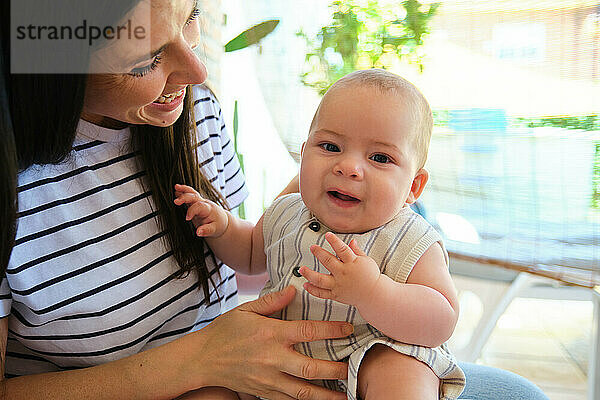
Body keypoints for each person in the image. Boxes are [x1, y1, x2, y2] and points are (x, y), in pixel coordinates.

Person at [0, 0, 550, 399]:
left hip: (348, 357)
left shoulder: (190, 112)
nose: (197, 72)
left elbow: (437, 319)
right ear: (49, 69)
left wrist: (371, 273)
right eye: (144, 60)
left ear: (416, 187)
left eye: (191, 17)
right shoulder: (18, 182)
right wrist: (222, 235)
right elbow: (255, 247)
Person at [175, 69, 465, 399]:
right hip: (274, 360)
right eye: (330, 146)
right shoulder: (286, 212)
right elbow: (251, 254)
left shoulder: (411, 238)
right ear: (303, 152)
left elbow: (441, 319)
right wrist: (223, 227)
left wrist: (372, 291)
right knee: (207, 390)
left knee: (404, 371)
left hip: (367, 356)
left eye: (380, 157)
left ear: (413, 186)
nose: (349, 167)